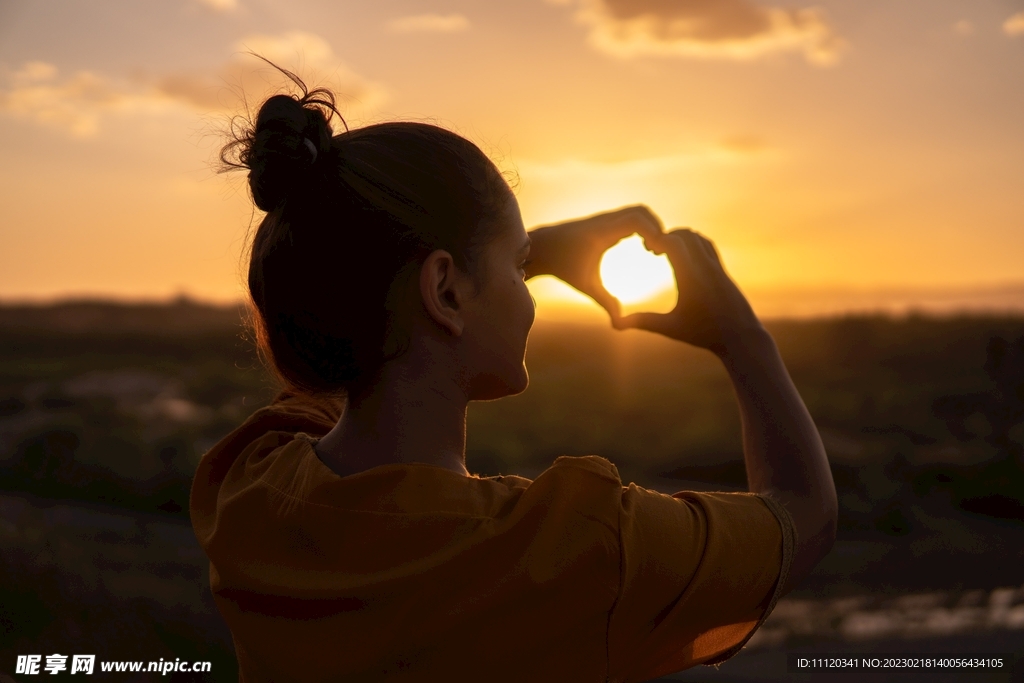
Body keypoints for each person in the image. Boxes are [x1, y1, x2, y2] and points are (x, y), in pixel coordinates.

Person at [189, 69, 837, 683]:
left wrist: (508, 255)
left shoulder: (250, 487)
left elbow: (358, 330)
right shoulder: (577, 548)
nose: (527, 292)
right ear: (444, 289)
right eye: (517, 265)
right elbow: (803, 515)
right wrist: (742, 337)